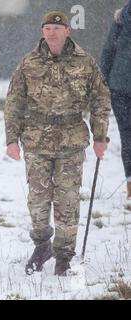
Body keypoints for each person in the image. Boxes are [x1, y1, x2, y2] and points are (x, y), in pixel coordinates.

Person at [4, 11, 111, 276]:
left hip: (71, 139)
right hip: (37, 139)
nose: (51, 33)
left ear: (68, 32)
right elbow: (14, 102)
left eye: (57, 28)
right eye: (47, 28)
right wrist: (11, 139)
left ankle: (63, 256)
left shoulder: (85, 63)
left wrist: (100, 137)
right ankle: (42, 244)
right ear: (42, 32)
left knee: (67, 201)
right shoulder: (29, 63)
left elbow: (100, 101)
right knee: (38, 201)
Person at [101, 1, 131, 210]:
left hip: (120, 86)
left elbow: (107, 53)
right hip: (120, 90)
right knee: (128, 138)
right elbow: (107, 53)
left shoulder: (122, 18)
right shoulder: (121, 19)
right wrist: (103, 85)